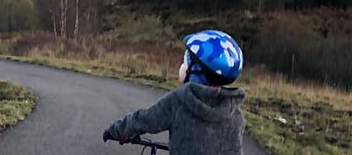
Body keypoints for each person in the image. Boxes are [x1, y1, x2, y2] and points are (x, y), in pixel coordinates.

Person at [103, 30, 246, 155]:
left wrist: (118, 131)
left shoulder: (181, 100)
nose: (182, 67)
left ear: (196, 71)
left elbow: (146, 120)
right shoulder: (235, 114)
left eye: (186, 63)